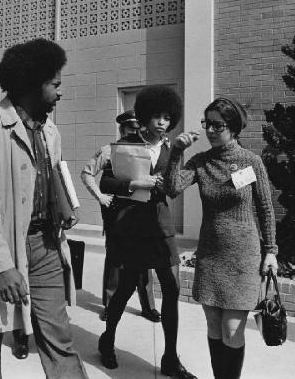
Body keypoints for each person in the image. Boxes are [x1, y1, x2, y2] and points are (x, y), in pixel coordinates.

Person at [0, 38, 87, 378]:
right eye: (55, 85)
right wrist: (2, 267)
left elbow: (54, 175)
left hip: (46, 245)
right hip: (2, 249)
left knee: (58, 336)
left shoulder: (51, 130)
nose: (60, 93)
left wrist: (65, 205)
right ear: (33, 83)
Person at [164, 97, 278, 379]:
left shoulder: (251, 162)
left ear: (234, 127)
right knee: (214, 328)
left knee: (231, 330)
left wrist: (271, 251)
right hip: (211, 255)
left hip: (243, 256)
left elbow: (265, 209)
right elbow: (172, 188)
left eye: (218, 125)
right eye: (207, 124)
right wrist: (176, 152)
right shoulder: (201, 162)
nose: (211, 131)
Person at [97, 85, 196, 379]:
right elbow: (106, 183)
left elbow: (173, 186)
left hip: (161, 226)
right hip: (133, 227)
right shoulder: (126, 144)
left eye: (167, 117)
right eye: (156, 116)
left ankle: (170, 358)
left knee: (172, 289)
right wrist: (135, 185)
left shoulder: (170, 149)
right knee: (126, 287)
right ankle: (108, 339)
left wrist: (177, 155)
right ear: (145, 116)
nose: (162, 122)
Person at [80, 109, 160, 323]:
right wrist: (100, 197)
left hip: (142, 210)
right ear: (122, 128)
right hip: (117, 211)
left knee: (145, 260)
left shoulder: (148, 149)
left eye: (139, 128)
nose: (135, 132)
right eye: (131, 128)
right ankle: (110, 304)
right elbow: (86, 173)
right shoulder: (108, 151)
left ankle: (148, 306)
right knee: (115, 260)